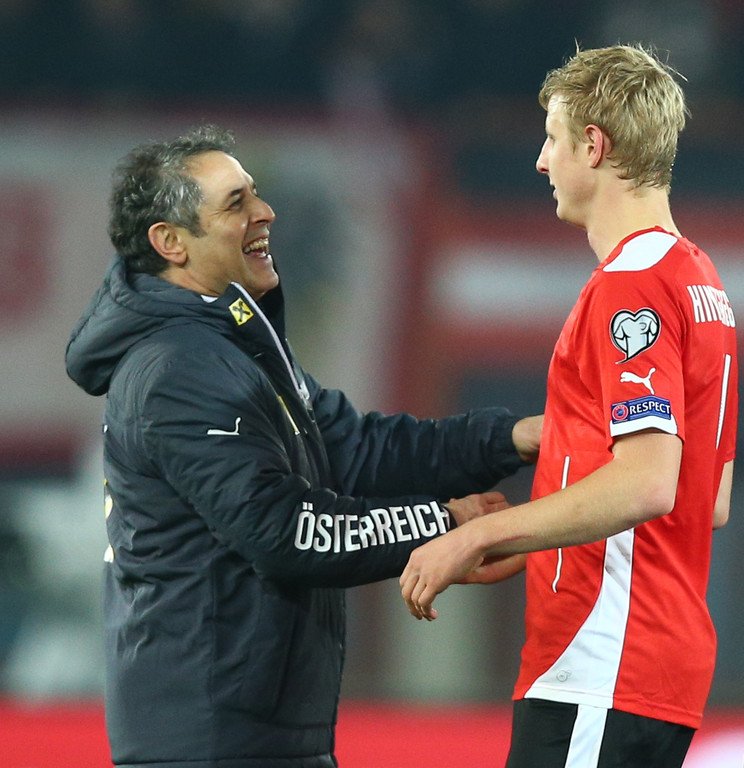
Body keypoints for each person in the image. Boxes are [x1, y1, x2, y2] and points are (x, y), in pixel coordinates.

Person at [64, 124, 541, 768]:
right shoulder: (180, 369)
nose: (265, 212)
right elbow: (284, 530)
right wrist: (445, 526)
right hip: (210, 743)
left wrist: (511, 438)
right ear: (170, 242)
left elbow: (357, 450)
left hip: (253, 733)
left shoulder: (232, 348)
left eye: (255, 194)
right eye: (236, 203)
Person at [400, 44, 738, 768]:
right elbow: (706, 499)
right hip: (647, 662)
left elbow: (648, 484)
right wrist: (535, 546)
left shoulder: (631, 286)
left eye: (552, 139)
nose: (541, 161)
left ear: (593, 145)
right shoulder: (700, 280)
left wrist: (478, 537)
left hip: (603, 658)